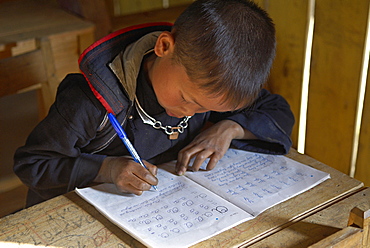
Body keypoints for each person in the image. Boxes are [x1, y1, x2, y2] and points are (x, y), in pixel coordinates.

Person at [14, 0, 294, 207]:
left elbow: (277, 110)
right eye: (187, 99)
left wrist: (229, 128)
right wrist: (106, 169)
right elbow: (33, 164)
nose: (189, 113)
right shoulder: (91, 101)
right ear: (164, 47)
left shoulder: (213, 87)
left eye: (206, 110)